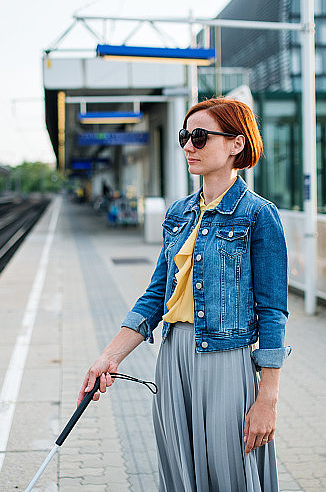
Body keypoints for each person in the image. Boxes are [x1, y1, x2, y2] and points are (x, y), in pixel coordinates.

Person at [78, 98, 290, 491]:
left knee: (231, 475)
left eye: (199, 136)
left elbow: (273, 312)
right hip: (173, 358)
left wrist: (268, 398)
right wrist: (107, 358)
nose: (188, 146)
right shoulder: (179, 213)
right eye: (184, 136)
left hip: (227, 361)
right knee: (179, 474)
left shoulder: (259, 215)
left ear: (235, 145)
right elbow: (156, 297)